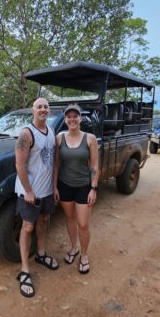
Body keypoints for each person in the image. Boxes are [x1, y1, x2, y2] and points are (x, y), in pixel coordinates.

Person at [15, 97, 59, 298]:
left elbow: (54, 162)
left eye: (46, 107)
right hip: (29, 192)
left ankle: (41, 254)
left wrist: (55, 186)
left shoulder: (51, 132)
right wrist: (28, 191)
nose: (43, 109)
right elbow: (20, 165)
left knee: (43, 220)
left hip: (47, 190)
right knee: (28, 227)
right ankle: (25, 270)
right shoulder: (27, 133)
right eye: (39, 106)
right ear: (33, 111)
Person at [53, 104, 99, 275]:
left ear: (80, 118)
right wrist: (54, 186)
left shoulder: (90, 138)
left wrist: (93, 188)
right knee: (70, 218)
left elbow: (94, 165)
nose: (72, 119)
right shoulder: (59, 138)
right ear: (65, 119)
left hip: (84, 186)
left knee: (83, 223)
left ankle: (84, 255)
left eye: (75, 116)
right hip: (64, 184)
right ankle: (74, 248)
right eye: (69, 116)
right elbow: (56, 163)